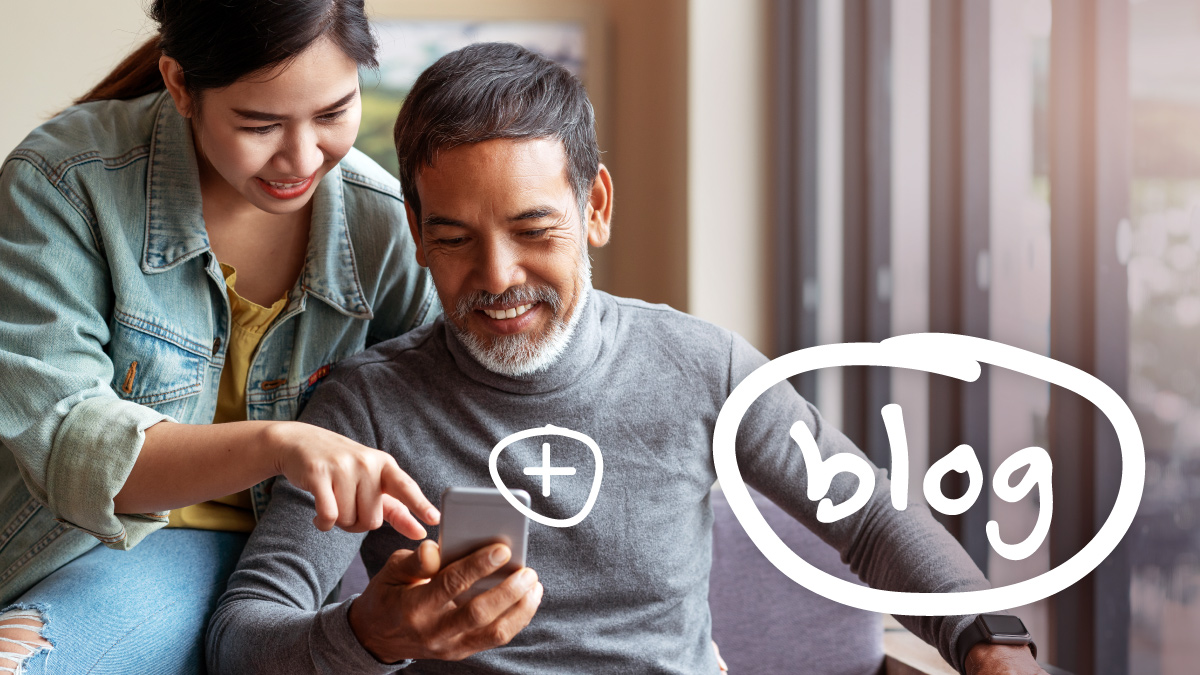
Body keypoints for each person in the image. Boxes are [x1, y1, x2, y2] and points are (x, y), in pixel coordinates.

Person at [207, 43, 1049, 675]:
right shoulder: (366, 407)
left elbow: (865, 515)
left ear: (596, 206)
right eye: (456, 238)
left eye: (535, 231)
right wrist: (370, 634)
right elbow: (242, 634)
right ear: (419, 236)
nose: (498, 279)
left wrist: (990, 638)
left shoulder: (700, 364)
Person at [0, 1, 457, 672]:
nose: (303, 157)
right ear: (180, 84)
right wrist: (281, 444)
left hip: (292, 563)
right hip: (97, 543)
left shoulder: (384, 226)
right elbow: (70, 442)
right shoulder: (65, 184)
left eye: (333, 113)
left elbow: (462, 406)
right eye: (260, 123)